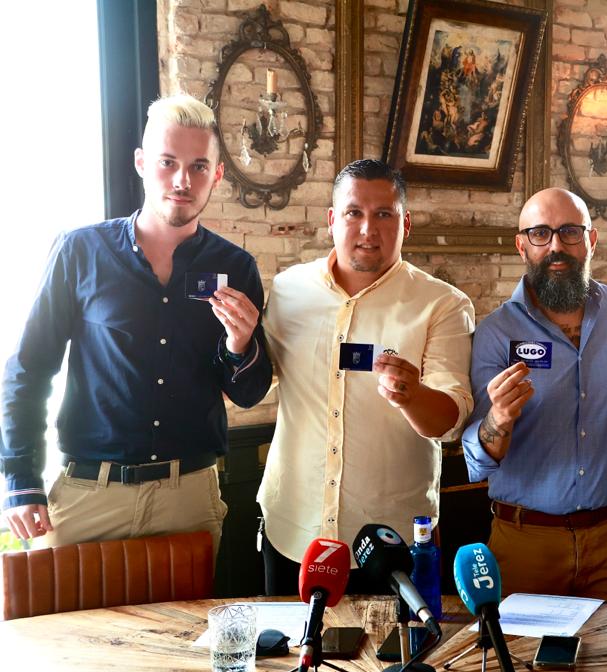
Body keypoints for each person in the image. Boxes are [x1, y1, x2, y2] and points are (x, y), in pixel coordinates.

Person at [0, 94, 271, 556]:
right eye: (168, 162)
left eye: (199, 166)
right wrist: (20, 479)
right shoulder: (79, 251)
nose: (182, 180)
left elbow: (248, 393)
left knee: (188, 631)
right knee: (62, 629)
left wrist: (240, 345)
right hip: (88, 495)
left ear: (217, 175)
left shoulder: (237, 266)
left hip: (188, 498)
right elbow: (29, 369)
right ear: (142, 163)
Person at [258, 159, 474, 595]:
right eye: (354, 212)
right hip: (291, 527)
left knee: (394, 663)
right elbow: (256, 383)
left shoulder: (442, 304)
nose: (367, 229)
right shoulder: (287, 291)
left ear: (405, 223)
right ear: (332, 219)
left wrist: (412, 395)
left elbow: (450, 423)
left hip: (390, 541)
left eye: (384, 214)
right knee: (289, 662)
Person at [463, 188, 607, 604]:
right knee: (524, 666)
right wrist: (498, 421)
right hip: (525, 542)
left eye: (569, 232)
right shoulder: (495, 333)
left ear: (591, 240)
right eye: (541, 233)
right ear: (522, 245)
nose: (557, 246)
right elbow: (480, 454)